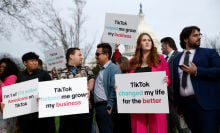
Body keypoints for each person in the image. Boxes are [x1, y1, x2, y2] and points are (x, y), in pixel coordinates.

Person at [173, 26, 220, 133]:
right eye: (195, 35)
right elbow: (177, 82)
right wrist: (178, 106)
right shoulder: (177, 59)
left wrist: (197, 71)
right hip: (186, 107)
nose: (199, 37)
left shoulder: (209, 53)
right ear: (185, 39)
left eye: (199, 35)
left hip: (207, 106)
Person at [129, 33, 170, 133]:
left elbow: (168, 80)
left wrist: (165, 81)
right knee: (138, 129)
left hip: (156, 101)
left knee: (158, 129)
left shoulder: (160, 58)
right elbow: (128, 81)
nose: (147, 42)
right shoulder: (132, 62)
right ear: (139, 44)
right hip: (137, 102)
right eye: (144, 40)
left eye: (149, 40)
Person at [52, 47, 95, 133]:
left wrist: (89, 89)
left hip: (84, 111)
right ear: (71, 56)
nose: (81, 57)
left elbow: (91, 79)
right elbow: (53, 88)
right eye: (79, 55)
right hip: (67, 112)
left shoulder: (86, 69)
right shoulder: (59, 71)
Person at [17, 52, 55, 133]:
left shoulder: (44, 74)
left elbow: (51, 90)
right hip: (26, 116)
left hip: (43, 115)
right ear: (25, 63)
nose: (35, 62)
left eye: (36, 60)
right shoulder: (20, 76)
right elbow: (16, 95)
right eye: (32, 60)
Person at [161, 37, 189, 133]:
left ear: (167, 45)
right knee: (169, 127)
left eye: (162, 46)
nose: (161, 48)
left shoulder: (179, 56)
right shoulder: (164, 60)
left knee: (182, 127)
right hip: (166, 100)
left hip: (176, 99)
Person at [94, 43, 121, 133]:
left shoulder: (114, 68)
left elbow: (115, 88)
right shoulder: (101, 69)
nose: (96, 56)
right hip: (98, 108)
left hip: (106, 107)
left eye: (98, 54)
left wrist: (110, 105)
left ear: (106, 55)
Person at [0, 58, 19, 133]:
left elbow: (6, 94)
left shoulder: (11, 78)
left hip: (7, 111)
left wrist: (1, 83)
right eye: (0, 67)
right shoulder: (2, 78)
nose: (1, 68)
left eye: (3, 67)